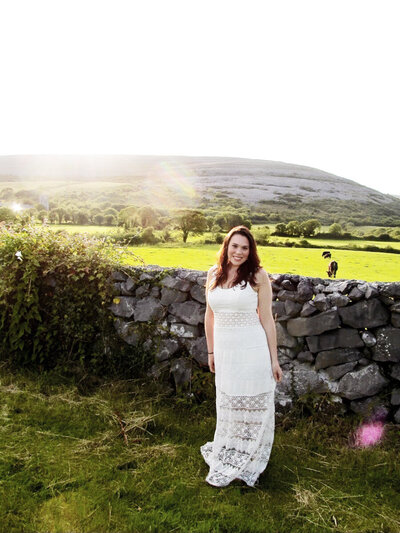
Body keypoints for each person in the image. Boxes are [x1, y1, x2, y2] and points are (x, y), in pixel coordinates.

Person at [200, 225, 283, 487]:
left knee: (249, 402)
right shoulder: (214, 274)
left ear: (251, 251)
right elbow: (209, 316)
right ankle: (232, 449)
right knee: (229, 401)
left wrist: (274, 359)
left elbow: (267, 319)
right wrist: (211, 351)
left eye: (245, 248)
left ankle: (250, 455)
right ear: (226, 246)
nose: (239, 252)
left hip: (252, 349)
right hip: (225, 352)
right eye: (234, 246)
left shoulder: (258, 276)